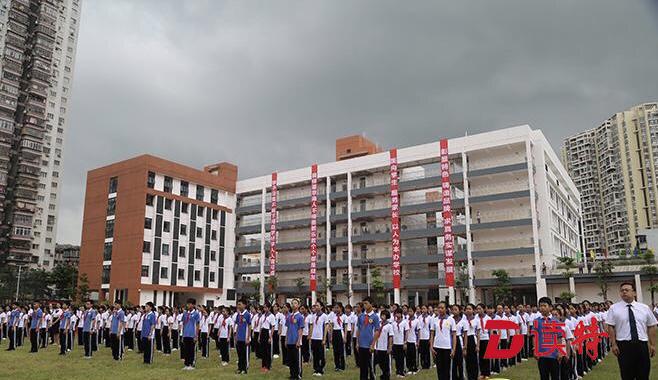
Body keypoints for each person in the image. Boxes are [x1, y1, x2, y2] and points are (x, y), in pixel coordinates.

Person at [607, 281, 657, 380]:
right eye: (622, 291)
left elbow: (651, 326)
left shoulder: (644, 308)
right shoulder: (614, 308)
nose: (624, 292)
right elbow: (610, 326)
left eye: (627, 290)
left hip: (641, 345)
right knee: (626, 375)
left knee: (643, 374)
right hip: (624, 346)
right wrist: (613, 344)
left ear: (634, 293)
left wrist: (652, 344)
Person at [533, 297, 563, 380]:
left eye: (544, 306)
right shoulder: (536, 321)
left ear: (550, 307)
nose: (542, 308)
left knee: (555, 376)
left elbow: (559, 337)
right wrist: (535, 349)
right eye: (540, 306)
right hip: (542, 354)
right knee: (543, 376)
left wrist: (560, 351)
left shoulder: (556, 321)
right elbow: (535, 336)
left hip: (554, 354)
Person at [430, 301, 457, 380]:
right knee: (439, 369)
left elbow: (454, 335)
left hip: (447, 347)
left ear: (446, 309)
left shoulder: (451, 319)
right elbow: (432, 334)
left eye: (442, 308)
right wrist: (431, 347)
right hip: (437, 346)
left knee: (447, 369)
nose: (440, 309)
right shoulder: (434, 320)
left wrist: (454, 349)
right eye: (439, 308)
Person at [357, 297, 380, 380]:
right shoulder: (361, 316)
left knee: (371, 366)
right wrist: (357, 342)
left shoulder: (375, 317)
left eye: (366, 303)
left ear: (371, 304)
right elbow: (359, 329)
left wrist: (373, 344)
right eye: (364, 304)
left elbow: (377, 331)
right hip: (362, 344)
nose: (365, 305)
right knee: (363, 367)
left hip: (370, 345)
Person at [286, 299, 304, 380]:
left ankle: (298, 374)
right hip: (289, 340)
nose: (293, 305)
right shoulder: (289, 316)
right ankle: (292, 374)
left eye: (295, 303)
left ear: (298, 305)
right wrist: (286, 339)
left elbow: (300, 329)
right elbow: (288, 328)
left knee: (297, 359)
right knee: (291, 359)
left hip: (296, 341)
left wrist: (298, 340)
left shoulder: (300, 316)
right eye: (292, 303)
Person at [181, 298, 201, 370]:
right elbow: (183, 324)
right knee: (186, 350)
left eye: (189, 304)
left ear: (193, 305)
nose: (188, 305)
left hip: (192, 334)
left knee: (192, 350)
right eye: (187, 304)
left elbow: (197, 325)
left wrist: (196, 335)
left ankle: (191, 364)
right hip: (186, 334)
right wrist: (183, 334)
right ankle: (186, 364)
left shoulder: (196, 314)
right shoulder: (185, 313)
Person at [234, 298, 252, 375]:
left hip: (245, 338)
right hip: (239, 337)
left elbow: (249, 326)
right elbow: (237, 325)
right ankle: (240, 368)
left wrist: (248, 337)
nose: (238, 306)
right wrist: (236, 336)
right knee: (239, 354)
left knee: (244, 354)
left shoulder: (247, 314)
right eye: (238, 304)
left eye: (240, 304)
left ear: (244, 305)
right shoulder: (238, 315)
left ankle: (244, 369)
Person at [374, 309, 394, 380]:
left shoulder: (389, 326)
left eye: (384, 315)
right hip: (379, 347)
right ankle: (382, 374)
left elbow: (390, 336)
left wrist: (390, 346)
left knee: (386, 364)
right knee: (380, 362)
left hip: (385, 347)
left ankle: (386, 376)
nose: (382, 317)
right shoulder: (379, 324)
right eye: (381, 315)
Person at [310, 301, 328, 376]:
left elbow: (326, 327)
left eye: (317, 306)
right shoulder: (313, 316)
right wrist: (310, 337)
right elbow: (311, 326)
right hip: (314, 338)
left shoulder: (324, 316)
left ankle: (321, 369)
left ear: (321, 307)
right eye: (315, 306)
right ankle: (316, 369)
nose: (316, 307)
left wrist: (324, 339)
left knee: (321, 355)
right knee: (315, 354)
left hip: (320, 338)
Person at [330, 303, 347, 371]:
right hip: (335, 332)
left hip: (340, 332)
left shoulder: (344, 316)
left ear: (341, 308)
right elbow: (331, 326)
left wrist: (345, 337)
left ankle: (342, 366)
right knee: (335, 350)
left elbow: (345, 327)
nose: (336, 309)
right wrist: (331, 336)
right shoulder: (333, 316)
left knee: (341, 350)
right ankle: (337, 365)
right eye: (335, 308)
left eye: (337, 308)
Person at [260, 303, 276, 372]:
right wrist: (259, 336)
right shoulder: (263, 315)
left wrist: (270, 337)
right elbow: (261, 325)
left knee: (268, 350)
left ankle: (268, 366)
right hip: (263, 332)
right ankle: (263, 365)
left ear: (269, 308)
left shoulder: (271, 316)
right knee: (263, 350)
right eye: (264, 307)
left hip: (268, 332)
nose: (264, 309)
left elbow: (273, 326)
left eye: (266, 307)